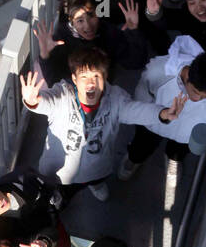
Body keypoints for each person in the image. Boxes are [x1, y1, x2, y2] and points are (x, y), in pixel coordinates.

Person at [19, 48, 186, 202]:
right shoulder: (62, 95)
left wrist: (162, 113)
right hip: (58, 170)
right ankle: (56, 193)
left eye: (96, 76)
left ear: (105, 78)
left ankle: (95, 185)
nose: (90, 83)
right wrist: (33, 101)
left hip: (96, 166)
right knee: (53, 187)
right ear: (74, 80)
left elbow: (136, 110)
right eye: (84, 77)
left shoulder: (116, 99)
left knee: (96, 178)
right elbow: (47, 101)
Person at [118, 39, 206, 174]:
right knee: (141, 146)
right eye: (195, 92)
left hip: (188, 132)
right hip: (154, 122)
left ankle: (173, 161)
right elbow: (141, 97)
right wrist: (158, 114)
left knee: (177, 152)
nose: (197, 99)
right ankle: (134, 159)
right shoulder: (158, 72)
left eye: (205, 97)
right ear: (187, 77)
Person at [33, 0, 148, 88]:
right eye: (80, 20)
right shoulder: (61, 40)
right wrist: (45, 55)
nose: (88, 26)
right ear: (71, 21)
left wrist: (133, 31)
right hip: (73, 93)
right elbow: (54, 82)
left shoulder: (108, 32)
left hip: (103, 90)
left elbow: (135, 62)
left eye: (91, 15)